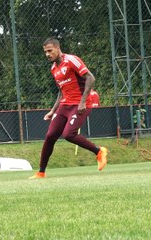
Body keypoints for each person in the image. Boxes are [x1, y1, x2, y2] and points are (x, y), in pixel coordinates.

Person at [30, 37, 108, 179]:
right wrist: (53, 111)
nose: (47, 54)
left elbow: (90, 78)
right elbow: (61, 92)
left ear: (58, 49)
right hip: (65, 105)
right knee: (50, 136)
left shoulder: (71, 60)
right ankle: (41, 172)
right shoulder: (54, 68)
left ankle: (99, 151)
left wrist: (83, 102)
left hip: (80, 104)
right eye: (45, 52)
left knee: (68, 134)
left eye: (50, 51)